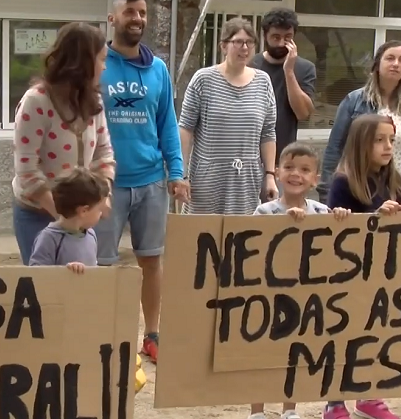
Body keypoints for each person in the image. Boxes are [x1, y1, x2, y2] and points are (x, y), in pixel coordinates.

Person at [98, 0, 189, 364]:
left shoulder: (159, 70)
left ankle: (152, 335)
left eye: (142, 13)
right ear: (112, 17)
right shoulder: (97, 64)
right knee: (100, 266)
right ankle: (102, 335)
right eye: (129, 12)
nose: (136, 19)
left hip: (151, 182)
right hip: (106, 185)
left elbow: (168, 123)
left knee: (151, 261)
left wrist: (177, 172)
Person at [249, 143, 347, 419]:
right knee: (263, 356)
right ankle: (256, 415)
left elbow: (336, 248)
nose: (296, 175)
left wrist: (339, 218)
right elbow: (250, 248)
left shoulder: (322, 210)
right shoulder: (264, 211)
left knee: (296, 355)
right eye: (289, 168)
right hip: (269, 299)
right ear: (277, 172)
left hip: (306, 301)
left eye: (305, 170)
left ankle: (289, 413)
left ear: (316, 178)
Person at [324, 113, 401, 419]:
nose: (388, 146)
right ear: (362, 144)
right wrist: (376, 216)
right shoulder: (343, 182)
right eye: (379, 140)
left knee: (376, 338)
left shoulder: (394, 181)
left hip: (385, 277)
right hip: (350, 280)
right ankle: (334, 406)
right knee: (347, 341)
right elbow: (337, 233)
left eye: (391, 139)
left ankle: (368, 394)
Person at [12, 21, 116, 265]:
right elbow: (27, 169)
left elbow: (103, 153)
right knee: (46, 293)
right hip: (38, 214)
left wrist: (102, 196)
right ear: (82, 62)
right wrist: (65, 216)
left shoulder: (94, 100)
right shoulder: (36, 102)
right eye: (101, 59)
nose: (104, 67)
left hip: (82, 215)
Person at [179, 17, 278, 216]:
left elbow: (268, 133)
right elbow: (185, 129)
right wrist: (182, 174)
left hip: (245, 181)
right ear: (223, 46)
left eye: (250, 42)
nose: (245, 48)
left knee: (241, 239)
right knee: (201, 238)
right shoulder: (203, 79)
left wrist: (269, 175)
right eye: (238, 42)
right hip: (207, 178)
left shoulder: (263, 82)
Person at [319, 40, 401, 203]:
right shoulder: (355, 100)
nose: (396, 64)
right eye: (390, 58)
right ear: (377, 64)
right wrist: (326, 190)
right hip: (363, 190)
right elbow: (335, 147)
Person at [249, 8, 316, 168]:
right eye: (275, 37)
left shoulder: (305, 68)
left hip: (283, 159)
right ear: (265, 36)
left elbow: (303, 113)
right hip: (248, 157)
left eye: (287, 38)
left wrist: (289, 71)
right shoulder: (251, 65)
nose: (281, 43)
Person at [28, 167, 109, 271]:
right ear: (83, 211)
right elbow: (37, 274)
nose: (101, 214)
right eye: (100, 209)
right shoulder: (49, 238)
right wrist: (67, 272)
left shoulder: (91, 234)